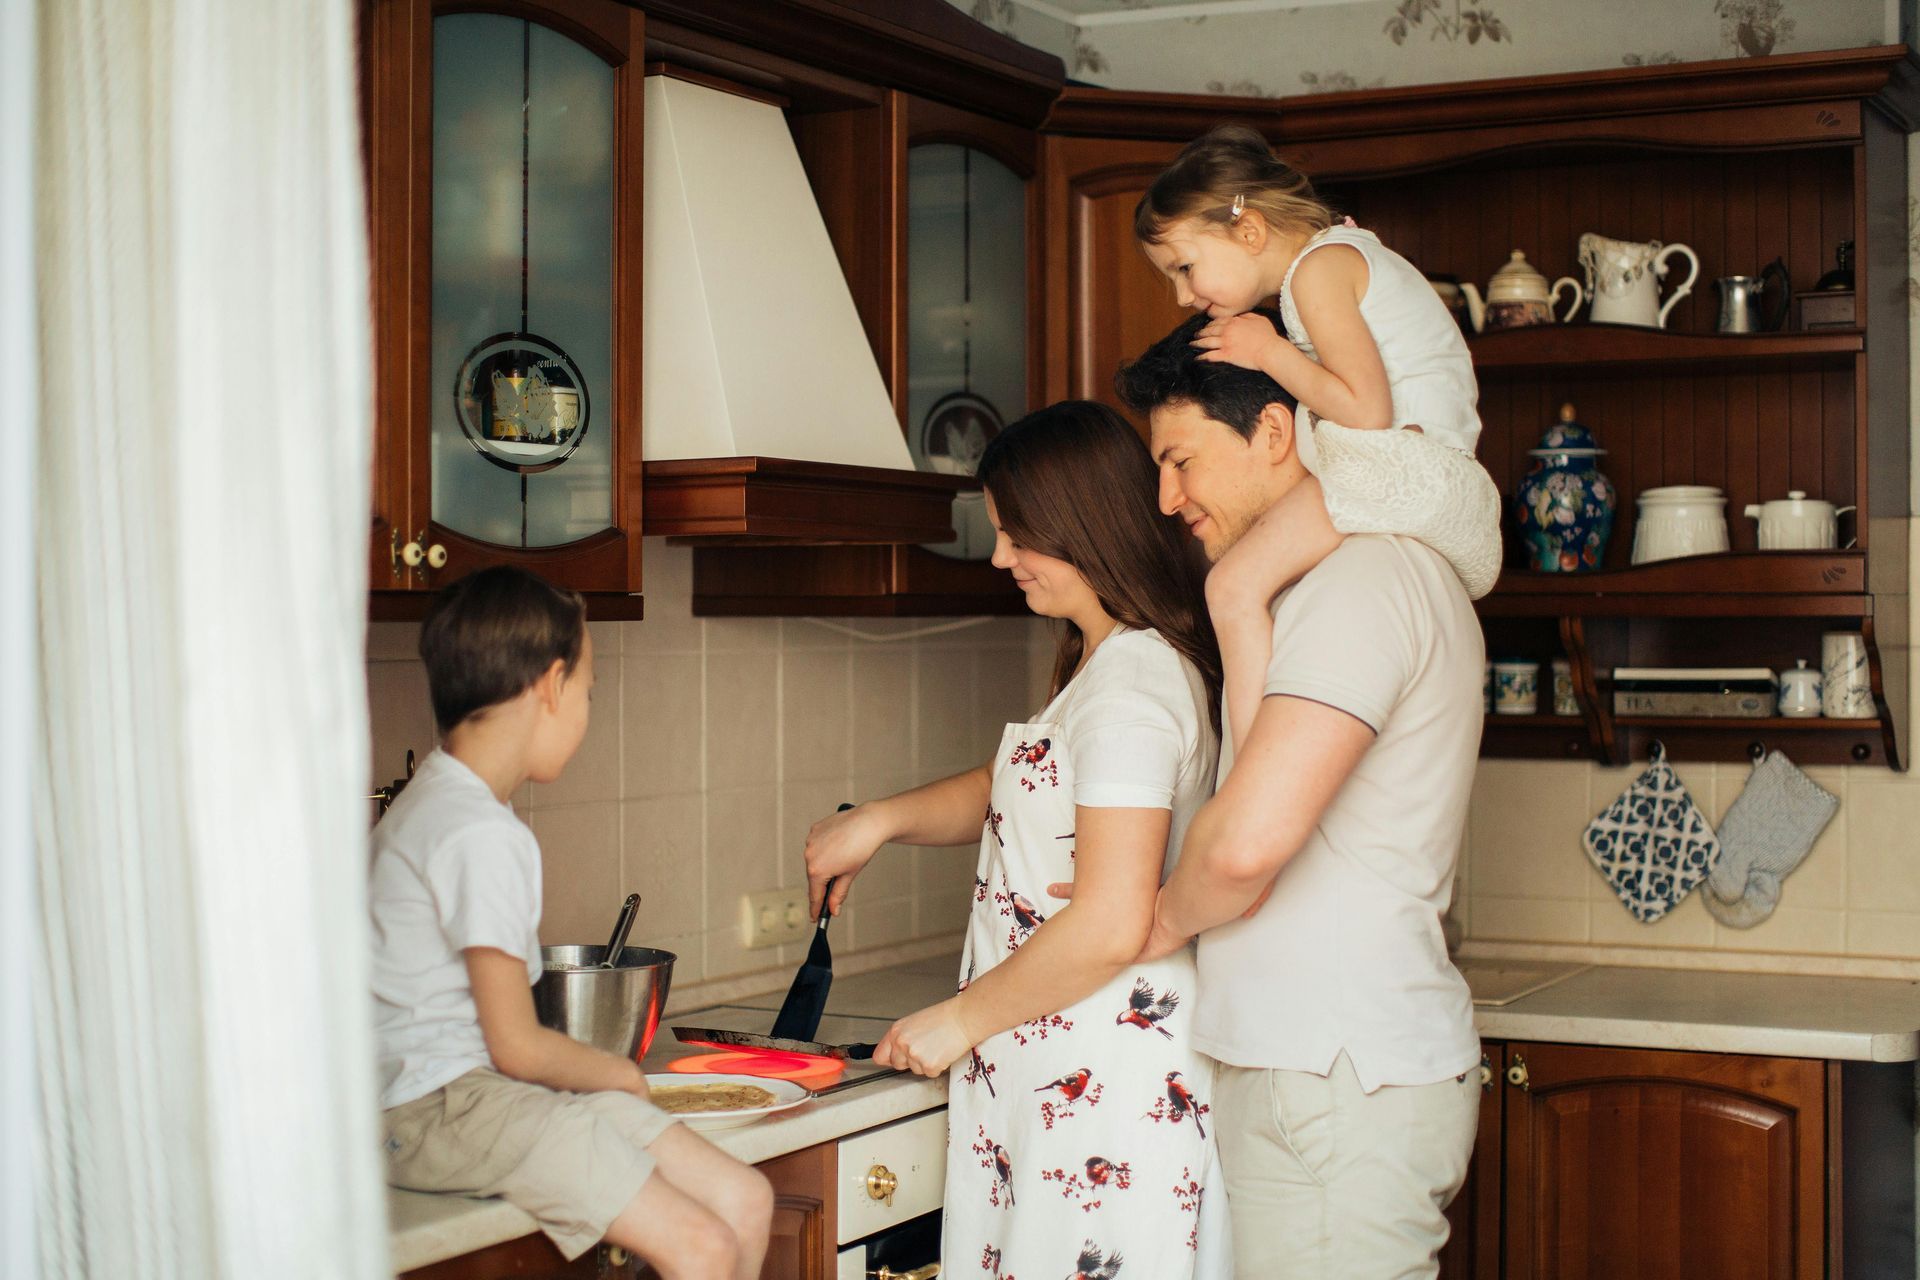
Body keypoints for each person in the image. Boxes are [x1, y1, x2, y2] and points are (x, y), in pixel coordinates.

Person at [801, 402, 1230, 1280]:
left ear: (1084, 525)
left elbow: (1112, 920)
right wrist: (879, 820)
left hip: (1104, 1089)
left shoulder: (1131, 687)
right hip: (1066, 1066)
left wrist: (957, 1019)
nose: (1000, 558)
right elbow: (1029, 787)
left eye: (1015, 534)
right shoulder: (1106, 665)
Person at [1108, 320, 1485, 1278]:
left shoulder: (1365, 579)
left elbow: (1246, 847)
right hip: (1318, 1067)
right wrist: (1236, 597)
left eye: (1182, 459)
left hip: (1335, 1075)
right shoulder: (1302, 587)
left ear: (1275, 431)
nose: (1167, 497)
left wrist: (1154, 921)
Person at [370, 567, 772, 1280]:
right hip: (435, 1109)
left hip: (477, 1099)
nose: (585, 711)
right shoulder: (478, 833)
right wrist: (618, 1072)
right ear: (551, 686)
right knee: (705, 1244)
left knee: (745, 1200)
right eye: (588, 692)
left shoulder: (439, 802)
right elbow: (518, 1047)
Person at [1135, 124, 1502, 755]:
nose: (1182, 296)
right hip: (1431, 471)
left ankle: (1243, 776)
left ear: (1250, 231)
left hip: (1402, 467)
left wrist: (1269, 352)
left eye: (1186, 268)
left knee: (1232, 587)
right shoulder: (1339, 256)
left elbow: (1364, 410)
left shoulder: (1318, 273)